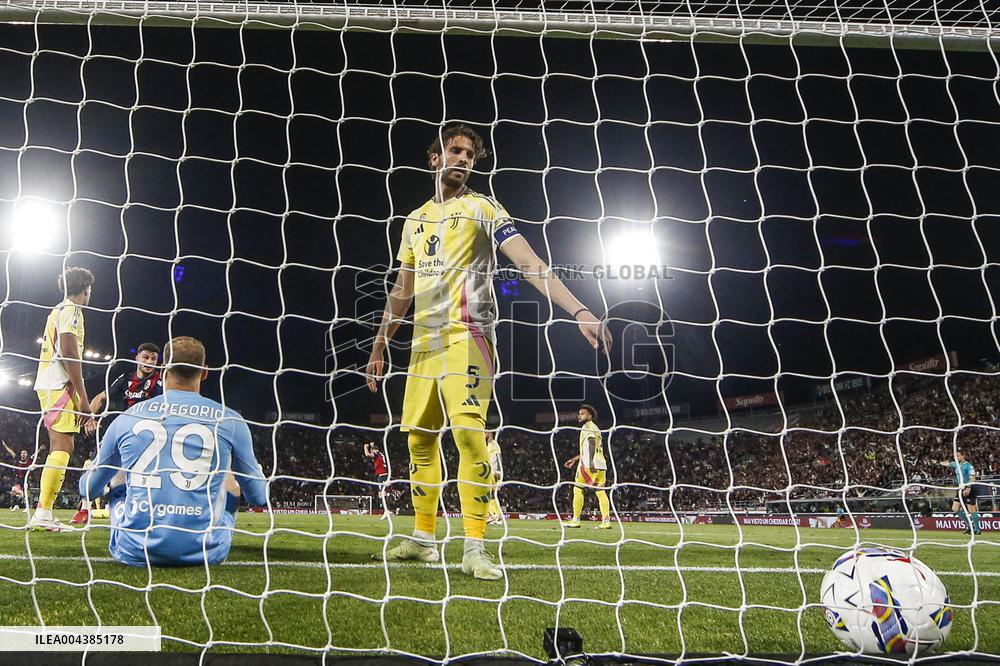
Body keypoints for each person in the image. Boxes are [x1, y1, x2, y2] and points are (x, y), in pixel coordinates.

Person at [366, 123, 611, 580]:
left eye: (469, 155)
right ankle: (423, 540)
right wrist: (380, 343)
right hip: (423, 343)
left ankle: (474, 547)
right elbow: (403, 289)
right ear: (434, 158)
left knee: (468, 437)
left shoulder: (484, 208)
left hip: (469, 336)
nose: (463, 159)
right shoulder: (415, 220)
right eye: (454, 151)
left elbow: (529, 263)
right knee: (419, 441)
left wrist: (579, 311)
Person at [79, 336, 268, 566]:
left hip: (134, 550)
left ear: (164, 369)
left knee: (118, 478)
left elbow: (87, 489)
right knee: (228, 478)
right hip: (206, 554)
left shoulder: (127, 418)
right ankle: (204, 533)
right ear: (205, 371)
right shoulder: (230, 419)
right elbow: (258, 496)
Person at [30, 267, 96, 532]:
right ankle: (43, 512)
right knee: (62, 445)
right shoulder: (72, 311)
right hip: (59, 385)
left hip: (50, 384)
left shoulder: (57, 310)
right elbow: (69, 352)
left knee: (62, 445)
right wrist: (83, 397)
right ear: (86, 289)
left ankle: (45, 511)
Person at [73, 342, 163, 524]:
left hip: (149, 434)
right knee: (97, 463)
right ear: (137, 358)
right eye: (146, 357)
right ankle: (84, 508)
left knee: (137, 473)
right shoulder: (125, 379)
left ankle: (149, 508)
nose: (150, 361)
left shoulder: (159, 381)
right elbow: (100, 397)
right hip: (123, 429)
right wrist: (90, 417)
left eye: (153, 358)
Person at [563, 405, 611, 529]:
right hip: (601, 464)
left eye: (582, 413)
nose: (580, 415)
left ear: (589, 416)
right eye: (579, 413)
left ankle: (576, 520)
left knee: (578, 488)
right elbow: (588, 447)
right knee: (600, 492)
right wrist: (574, 459)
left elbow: (591, 443)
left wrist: (590, 462)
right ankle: (606, 521)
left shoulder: (587, 427)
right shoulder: (596, 428)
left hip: (589, 464)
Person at [940, 449, 981, 535]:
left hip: (969, 489)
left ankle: (978, 529)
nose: (956, 457)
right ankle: (970, 526)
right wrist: (941, 462)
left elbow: (973, 478)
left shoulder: (969, 466)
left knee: (971, 509)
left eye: (958, 456)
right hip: (960, 489)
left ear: (963, 456)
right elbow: (945, 464)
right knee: (955, 508)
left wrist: (968, 488)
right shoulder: (956, 465)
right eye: (955, 456)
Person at [364, 441, 390, 519]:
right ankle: (386, 510)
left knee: (382, 494)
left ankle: (386, 511)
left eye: (373, 450)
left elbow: (367, 454)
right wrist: (372, 446)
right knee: (382, 494)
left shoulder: (377, 454)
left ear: (376, 450)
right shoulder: (380, 455)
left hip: (382, 475)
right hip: (384, 475)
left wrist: (365, 447)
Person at [2, 441, 31, 512]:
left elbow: (36, 454)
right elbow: (11, 452)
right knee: (15, 492)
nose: (23, 454)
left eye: (24, 453)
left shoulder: (29, 460)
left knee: (24, 494)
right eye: (22, 453)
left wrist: (40, 449)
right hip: (18, 479)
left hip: (26, 479)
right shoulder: (18, 459)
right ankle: (16, 505)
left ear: (26, 454)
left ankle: (24, 507)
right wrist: (5, 446)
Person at [486, 431, 503, 525]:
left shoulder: (494, 444)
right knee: (489, 494)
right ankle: (493, 515)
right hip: (487, 473)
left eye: (486, 432)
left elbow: (499, 458)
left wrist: (499, 471)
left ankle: (495, 515)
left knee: (492, 494)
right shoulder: (485, 444)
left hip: (494, 473)